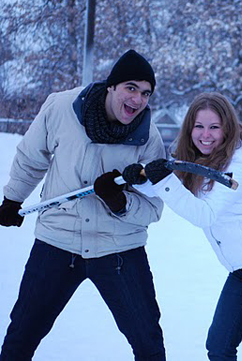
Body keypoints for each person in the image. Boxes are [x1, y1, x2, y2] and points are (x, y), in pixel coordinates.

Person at [0, 49, 167, 360]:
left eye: (146, 93)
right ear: (111, 86)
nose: (138, 99)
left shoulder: (148, 138)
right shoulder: (61, 107)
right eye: (131, 87)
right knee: (19, 339)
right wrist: (13, 197)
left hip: (118, 248)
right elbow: (31, 156)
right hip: (57, 242)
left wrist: (120, 202)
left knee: (149, 345)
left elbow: (154, 208)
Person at [121, 93, 242, 361]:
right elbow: (178, 187)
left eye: (214, 127)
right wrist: (141, 180)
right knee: (219, 346)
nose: (205, 135)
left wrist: (164, 182)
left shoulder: (240, 162)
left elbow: (203, 213)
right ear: (189, 128)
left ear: (227, 128)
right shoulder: (199, 157)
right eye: (199, 126)